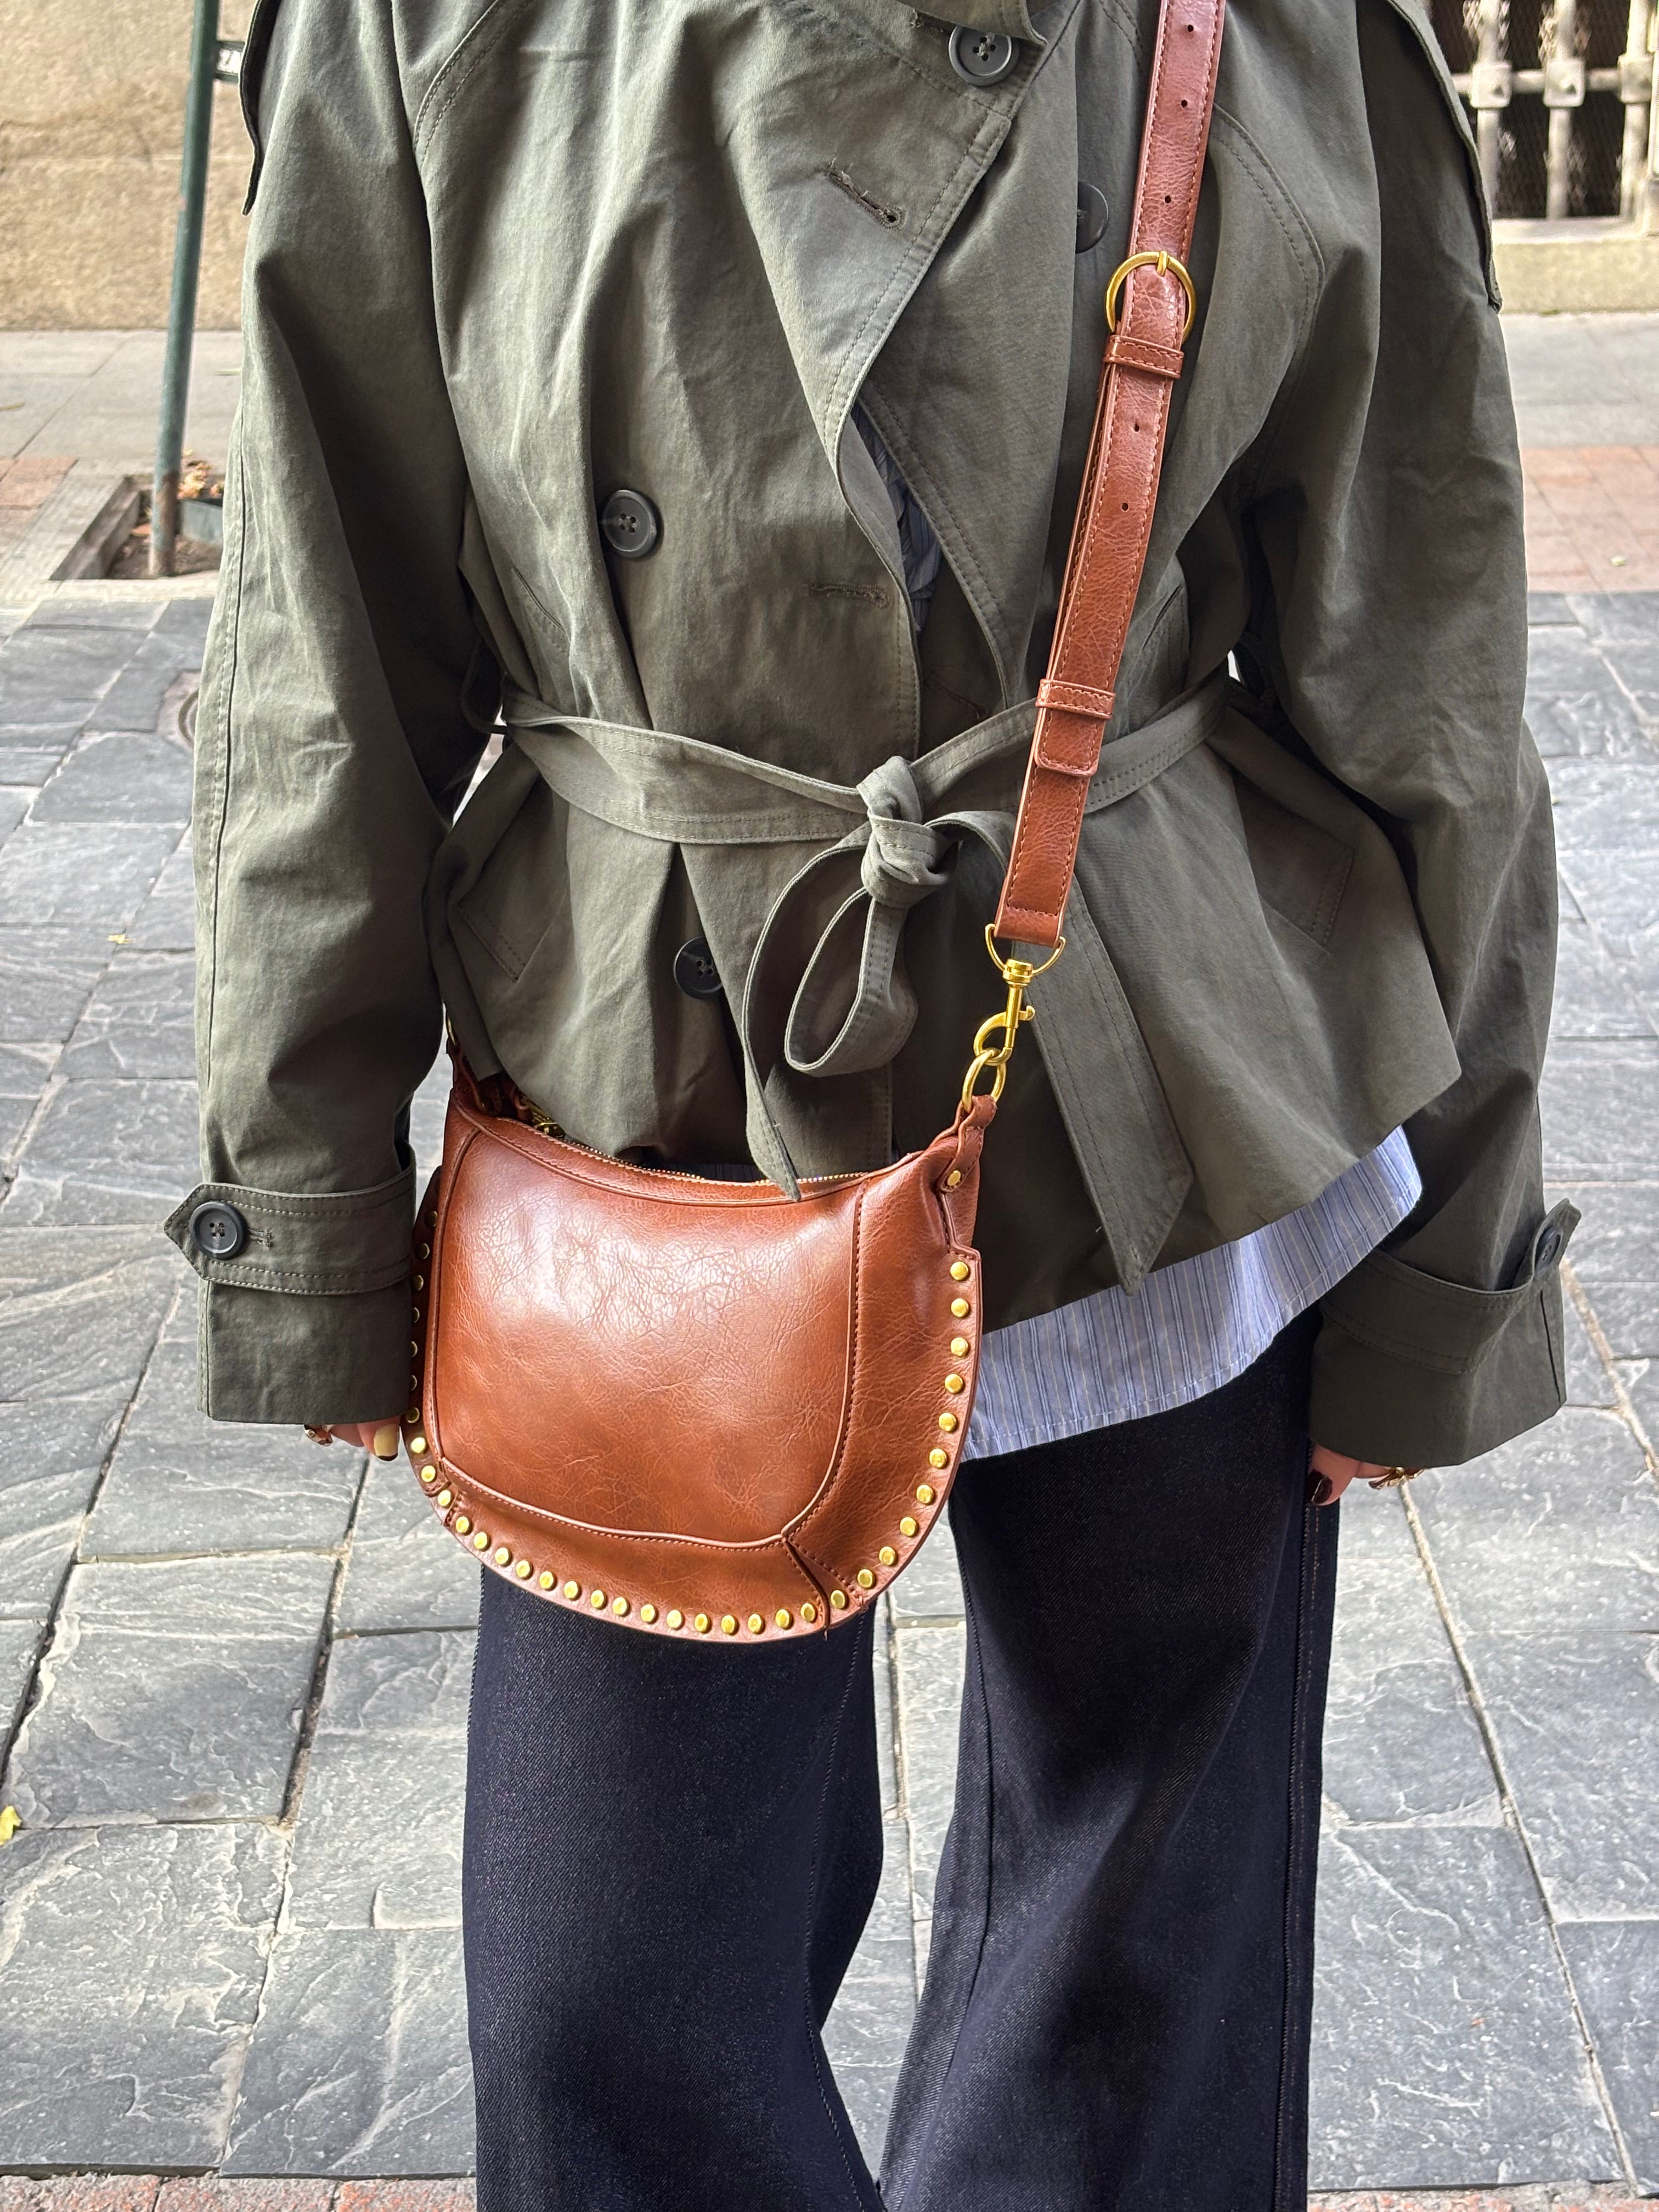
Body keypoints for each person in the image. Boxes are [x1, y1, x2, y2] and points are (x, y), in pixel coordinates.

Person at [167, 0, 1573, 2205]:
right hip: (661, 1094)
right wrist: (307, 1204)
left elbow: (1420, 648)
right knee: (603, 2000)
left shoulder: (1276, 27)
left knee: (1139, 1989)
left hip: (1159, 1085)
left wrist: (1451, 1264)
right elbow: (320, 644)